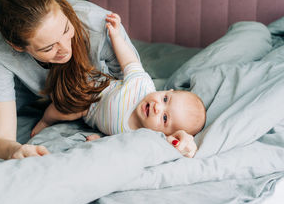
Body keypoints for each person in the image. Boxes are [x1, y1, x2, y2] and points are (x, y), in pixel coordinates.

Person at [0, 0, 140, 160]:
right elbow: (1, 141)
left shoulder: (101, 25)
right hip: (23, 84)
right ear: (16, 46)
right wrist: (14, 150)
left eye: (66, 30)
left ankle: (57, 97)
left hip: (89, 83)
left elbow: (136, 88)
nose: (65, 49)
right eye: (49, 47)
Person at [32, 13, 206, 158]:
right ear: (167, 91)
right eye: (165, 99)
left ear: (164, 134)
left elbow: (116, 145)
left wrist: (97, 141)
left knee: (67, 109)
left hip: (89, 113)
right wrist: (116, 36)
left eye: (165, 118)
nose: (157, 107)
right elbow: (129, 60)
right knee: (63, 107)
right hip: (92, 89)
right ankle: (46, 120)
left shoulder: (140, 137)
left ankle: (49, 111)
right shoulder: (142, 85)